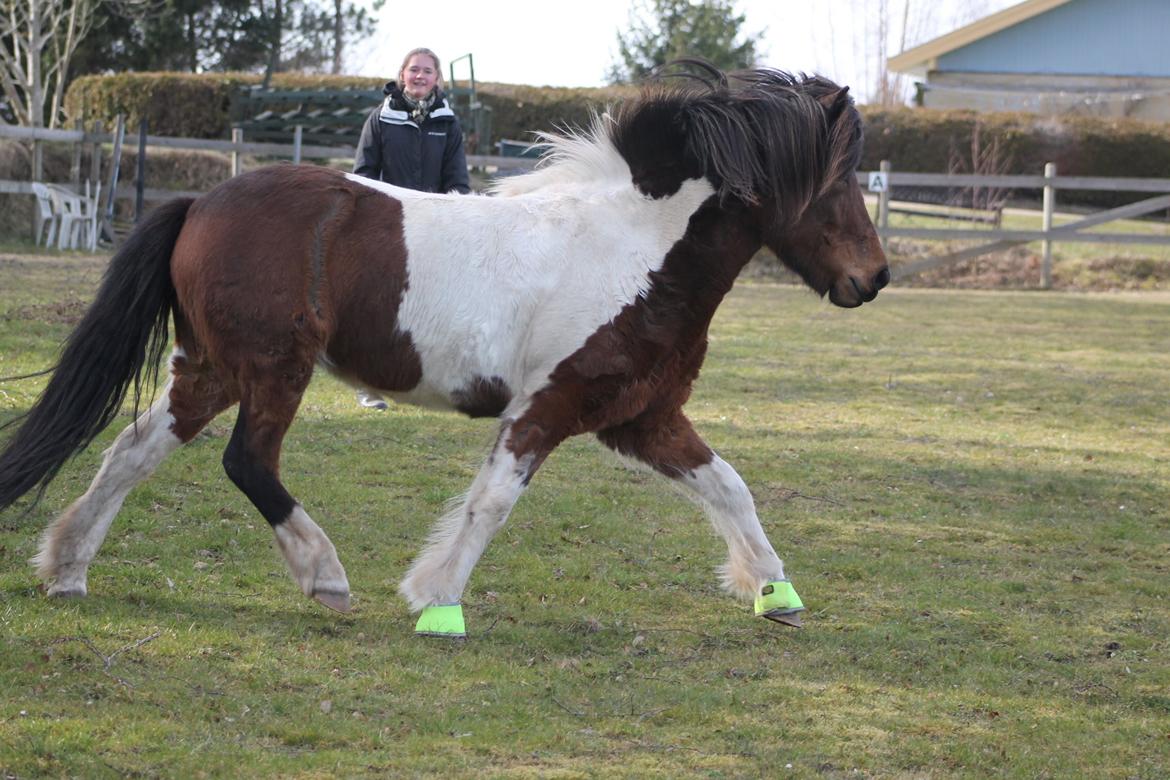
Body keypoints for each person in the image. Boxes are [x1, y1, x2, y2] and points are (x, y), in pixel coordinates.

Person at [352, 47, 471, 410]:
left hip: (434, 232)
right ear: (402, 74)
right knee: (377, 309)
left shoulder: (448, 123)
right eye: (414, 70)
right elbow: (363, 177)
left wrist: (458, 221)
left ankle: (426, 380)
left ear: (437, 79)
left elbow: (458, 182)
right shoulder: (380, 119)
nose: (420, 76)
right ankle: (367, 384)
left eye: (427, 71)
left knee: (432, 310)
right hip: (388, 232)